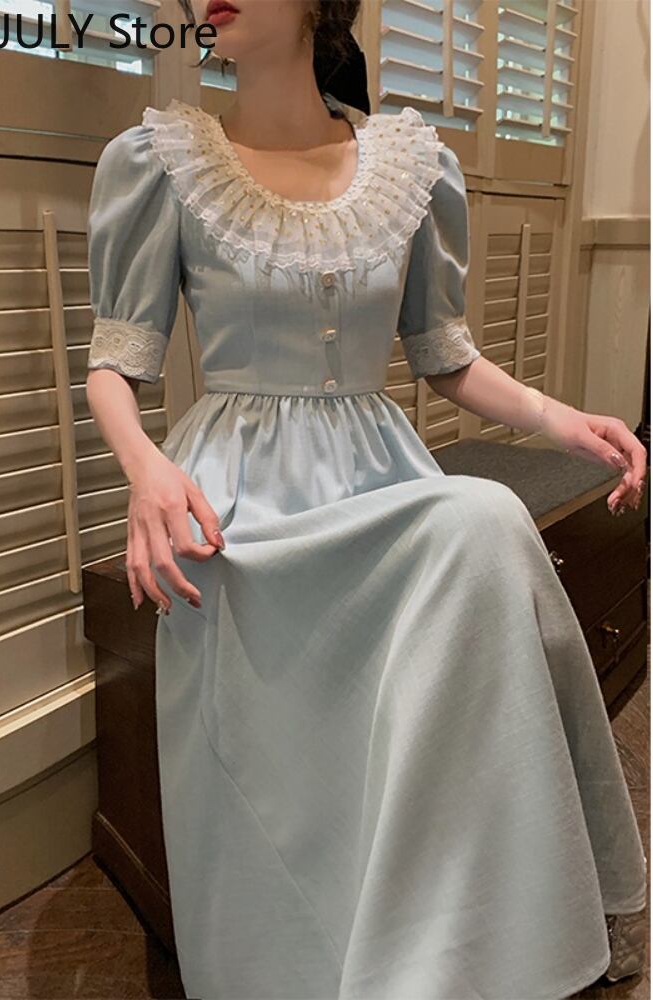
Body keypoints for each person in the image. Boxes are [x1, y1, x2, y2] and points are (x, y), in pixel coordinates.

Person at [84, 2, 648, 997]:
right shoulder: (161, 162)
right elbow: (113, 366)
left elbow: (445, 355)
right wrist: (146, 470)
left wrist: (565, 421)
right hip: (236, 504)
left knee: (484, 523)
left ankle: (447, 955)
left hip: (379, 480)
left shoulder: (411, 167)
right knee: (284, 736)